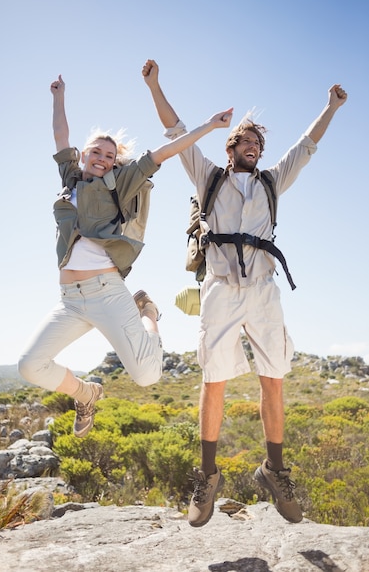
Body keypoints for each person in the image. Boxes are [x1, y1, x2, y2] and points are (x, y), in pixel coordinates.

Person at [142, 59, 347, 527]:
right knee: (213, 379)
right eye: (246, 141)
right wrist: (156, 85)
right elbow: (175, 131)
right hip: (219, 290)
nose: (254, 147)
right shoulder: (208, 175)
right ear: (230, 146)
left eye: (259, 143)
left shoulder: (273, 181)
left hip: (264, 290)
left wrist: (330, 107)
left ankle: (275, 470)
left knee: (273, 377)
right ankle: (207, 476)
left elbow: (307, 146)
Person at [18, 73, 233, 439]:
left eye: (109, 155)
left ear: (115, 161)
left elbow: (166, 151)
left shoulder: (123, 180)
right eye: (96, 152)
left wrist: (209, 126)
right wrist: (59, 97)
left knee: (148, 376)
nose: (102, 158)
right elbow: (60, 136)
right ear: (83, 156)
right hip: (70, 300)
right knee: (30, 366)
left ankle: (148, 311)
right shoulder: (70, 179)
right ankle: (86, 395)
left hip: (106, 291)